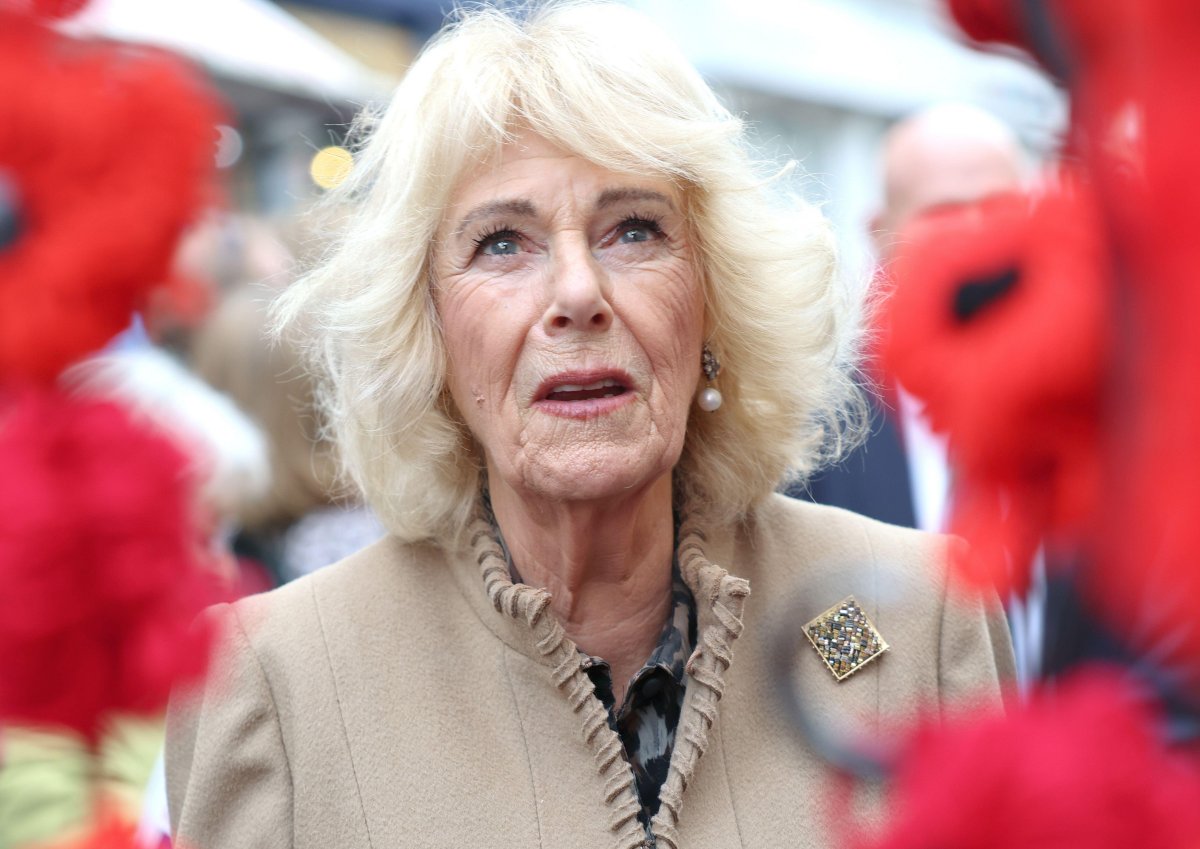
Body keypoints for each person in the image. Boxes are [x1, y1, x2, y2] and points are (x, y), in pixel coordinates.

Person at [165, 6, 1015, 849]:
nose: (577, 293)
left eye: (634, 229)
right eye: (502, 243)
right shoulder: (274, 683)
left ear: (714, 304)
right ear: (427, 334)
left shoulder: (908, 620)